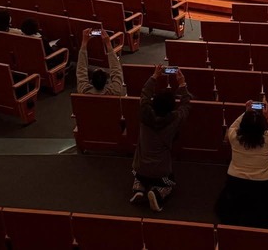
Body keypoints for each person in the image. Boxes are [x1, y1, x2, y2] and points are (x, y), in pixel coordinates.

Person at [216, 100, 268, 229]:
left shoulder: (233, 137)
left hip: (236, 181)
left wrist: (246, 112)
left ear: (243, 126)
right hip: (264, 183)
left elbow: (232, 127)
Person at [131, 65, 191, 212]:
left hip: (140, 167)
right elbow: (186, 106)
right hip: (161, 171)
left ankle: (138, 189)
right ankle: (158, 193)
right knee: (169, 183)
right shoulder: (174, 119)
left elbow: (144, 94)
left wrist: (154, 77)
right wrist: (182, 84)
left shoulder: (145, 113)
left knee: (139, 175)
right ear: (171, 108)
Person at [76, 27, 124, 96]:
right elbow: (116, 70)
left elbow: (81, 70)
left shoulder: (84, 91)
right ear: (107, 82)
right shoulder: (115, 91)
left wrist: (84, 42)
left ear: (91, 81)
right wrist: (108, 43)